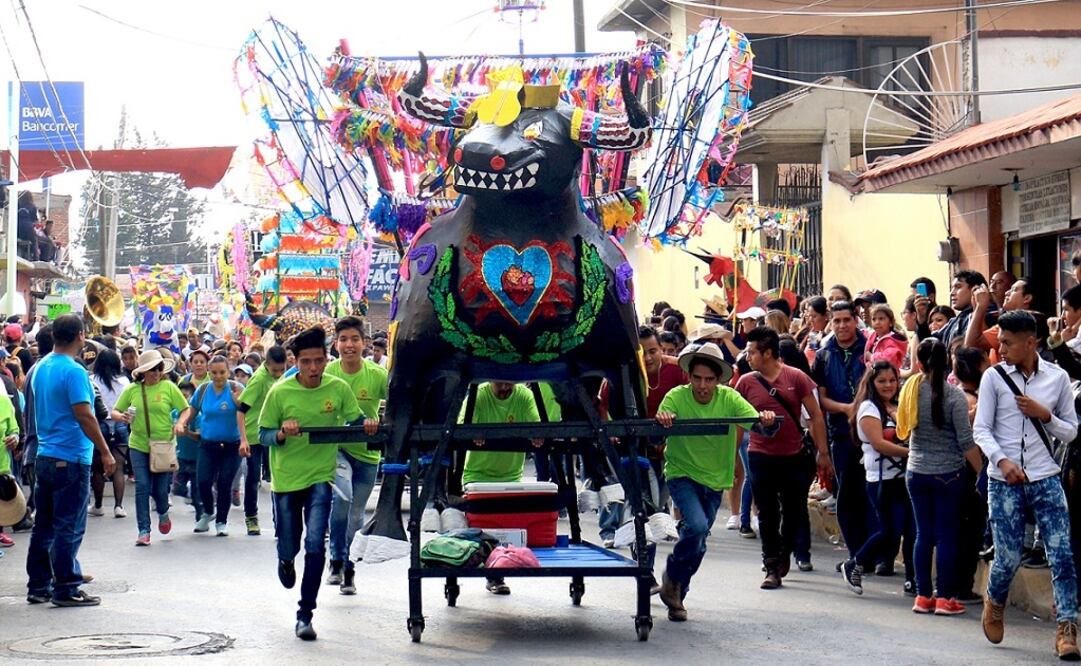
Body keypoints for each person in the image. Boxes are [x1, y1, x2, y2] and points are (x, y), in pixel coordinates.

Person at [973, 310, 1080, 659]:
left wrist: (1044, 415)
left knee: (1062, 555)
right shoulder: (993, 378)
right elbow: (981, 430)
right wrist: (1002, 462)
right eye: (999, 341)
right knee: (1008, 556)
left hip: (1045, 476)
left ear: (1031, 342)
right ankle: (996, 600)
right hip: (1003, 480)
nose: (1000, 348)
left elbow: (1071, 430)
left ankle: (1067, 629)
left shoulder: (1058, 378)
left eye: (1007, 342)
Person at [259, 326, 367, 641]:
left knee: (316, 543)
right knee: (291, 543)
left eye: (319, 361)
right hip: (287, 480)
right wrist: (281, 432)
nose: (314, 369)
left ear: (326, 357)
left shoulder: (338, 389)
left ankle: (305, 614)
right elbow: (263, 434)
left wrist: (369, 424)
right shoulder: (279, 392)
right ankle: (284, 557)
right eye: (306, 362)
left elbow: (356, 420)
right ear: (296, 361)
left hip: (321, 475)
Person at [656, 342, 775, 622]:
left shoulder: (730, 398)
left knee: (699, 542)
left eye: (709, 379)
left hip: (715, 480)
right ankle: (673, 577)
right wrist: (664, 419)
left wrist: (766, 419)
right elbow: (658, 427)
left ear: (718, 379)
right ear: (689, 377)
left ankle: (676, 591)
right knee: (696, 527)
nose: (703, 385)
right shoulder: (675, 396)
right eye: (697, 378)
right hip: (682, 473)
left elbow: (757, 422)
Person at [26, 314, 115, 607]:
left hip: (45, 455)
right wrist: (104, 449)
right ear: (79, 335)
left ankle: (39, 584)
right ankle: (66, 586)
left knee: (45, 525)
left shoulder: (40, 368)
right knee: (69, 526)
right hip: (71, 458)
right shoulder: (73, 371)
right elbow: (84, 414)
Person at [734, 327, 829, 587]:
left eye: (752, 351)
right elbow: (739, 422)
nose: (748, 356)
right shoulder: (746, 382)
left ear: (767, 353)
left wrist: (823, 452)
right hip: (760, 455)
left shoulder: (796, 377)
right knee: (766, 512)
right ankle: (771, 565)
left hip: (795, 455)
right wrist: (732, 457)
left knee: (794, 510)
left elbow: (816, 415)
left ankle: (784, 551)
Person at [898, 338, 983, 615]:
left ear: (919, 363)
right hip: (949, 473)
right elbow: (966, 442)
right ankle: (945, 598)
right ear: (948, 362)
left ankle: (923, 597)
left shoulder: (909, 390)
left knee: (924, 534)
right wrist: (983, 472)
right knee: (947, 535)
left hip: (916, 471)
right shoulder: (955, 396)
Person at [324, 317, 388, 594]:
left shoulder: (377, 375)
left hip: (368, 455)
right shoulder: (327, 374)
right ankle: (336, 560)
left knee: (356, 515)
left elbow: (398, 407)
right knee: (342, 498)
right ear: (336, 344)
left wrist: (380, 424)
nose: (349, 345)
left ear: (365, 343)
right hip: (336, 450)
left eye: (354, 339)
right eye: (343, 339)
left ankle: (349, 566)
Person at [460, 381, 542, 595]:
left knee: (506, 533)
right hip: (478, 477)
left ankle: (497, 574)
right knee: (483, 533)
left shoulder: (524, 395)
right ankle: (479, 571)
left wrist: (538, 434)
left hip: (511, 477)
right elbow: (463, 424)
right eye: (500, 383)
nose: (506, 387)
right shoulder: (479, 395)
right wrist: (472, 432)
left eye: (510, 383)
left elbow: (537, 424)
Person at [842, 361, 915, 596]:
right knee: (890, 531)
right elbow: (879, 444)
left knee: (913, 530)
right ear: (872, 383)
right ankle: (855, 562)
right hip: (882, 480)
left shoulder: (898, 405)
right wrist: (913, 454)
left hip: (904, 477)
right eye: (882, 381)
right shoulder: (868, 409)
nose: (888, 385)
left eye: (892, 380)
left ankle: (914, 581)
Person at [812, 301, 871, 567]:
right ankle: (855, 554)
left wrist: (863, 409)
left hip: (872, 432)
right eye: (836, 321)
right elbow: (820, 400)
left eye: (846, 320)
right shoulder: (824, 354)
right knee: (847, 494)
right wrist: (846, 408)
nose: (842, 326)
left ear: (855, 320)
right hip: (841, 433)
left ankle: (875, 554)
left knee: (873, 492)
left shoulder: (869, 347)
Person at [112, 349, 190, 546]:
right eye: (152, 369)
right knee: (142, 487)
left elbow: (185, 409)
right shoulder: (132, 390)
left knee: (160, 490)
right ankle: (144, 530)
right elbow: (115, 411)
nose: (156, 372)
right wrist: (121, 417)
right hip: (138, 444)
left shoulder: (169, 387)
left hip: (163, 445)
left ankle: (163, 513)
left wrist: (180, 423)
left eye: (158, 368)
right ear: (143, 372)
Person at [176, 356, 244, 536]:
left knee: (224, 483)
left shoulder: (237, 389)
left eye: (222, 372)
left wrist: (239, 402)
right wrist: (183, 424)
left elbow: (245, 413)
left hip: (232, 445)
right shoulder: (203, 390)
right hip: (207, 444)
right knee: (203, 481)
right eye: (214, 372)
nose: (218, 376)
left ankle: (222, 521)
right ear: (209, 372)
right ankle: (208, 512)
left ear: (228, 372)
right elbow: (192, 410)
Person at [235, 345, 287, 536]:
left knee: (278, 478)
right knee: (253, 478)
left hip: (274, 435)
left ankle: (279, 522)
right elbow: (241, 411)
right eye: (275, 370)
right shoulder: (258, 380)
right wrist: (243, 439)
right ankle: (251, 517)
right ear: (267, 363)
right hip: (254, 437)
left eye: (282, 369)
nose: (279, 373)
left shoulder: (281, 377)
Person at [88, 350, 129, 518]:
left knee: (97, 468)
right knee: (118, 467)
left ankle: (98, 505)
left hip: (100, 426)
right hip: (120, 425)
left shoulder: (91, 380)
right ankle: (118, 506)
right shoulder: (124, 381)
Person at [965, 278, 1035, 364]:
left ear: (1027, 298)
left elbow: (970, 347)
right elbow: (982, 340)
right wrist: (977, 307)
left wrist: (980, 307)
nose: (1007, 293)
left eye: (1013, 290)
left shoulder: (1015, 323)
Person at [172, 381, 204, 520]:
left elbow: (200, 436)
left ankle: (200, 514)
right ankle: (189, 494)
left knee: (197, 492)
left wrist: (188, 433)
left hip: (197, 458)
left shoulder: (197, 416)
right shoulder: (174, 413)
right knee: (177, 488)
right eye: (180, 396)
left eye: (186, 396)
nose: (183, 400)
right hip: (181, 456)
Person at [864, 304, 908, 370]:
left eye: (881, 319)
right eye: (874, 319)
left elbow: (888, 359)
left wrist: (871, 357)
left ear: (891, 322)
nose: (877, 322)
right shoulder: (874, 336)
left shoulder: (894, 340)